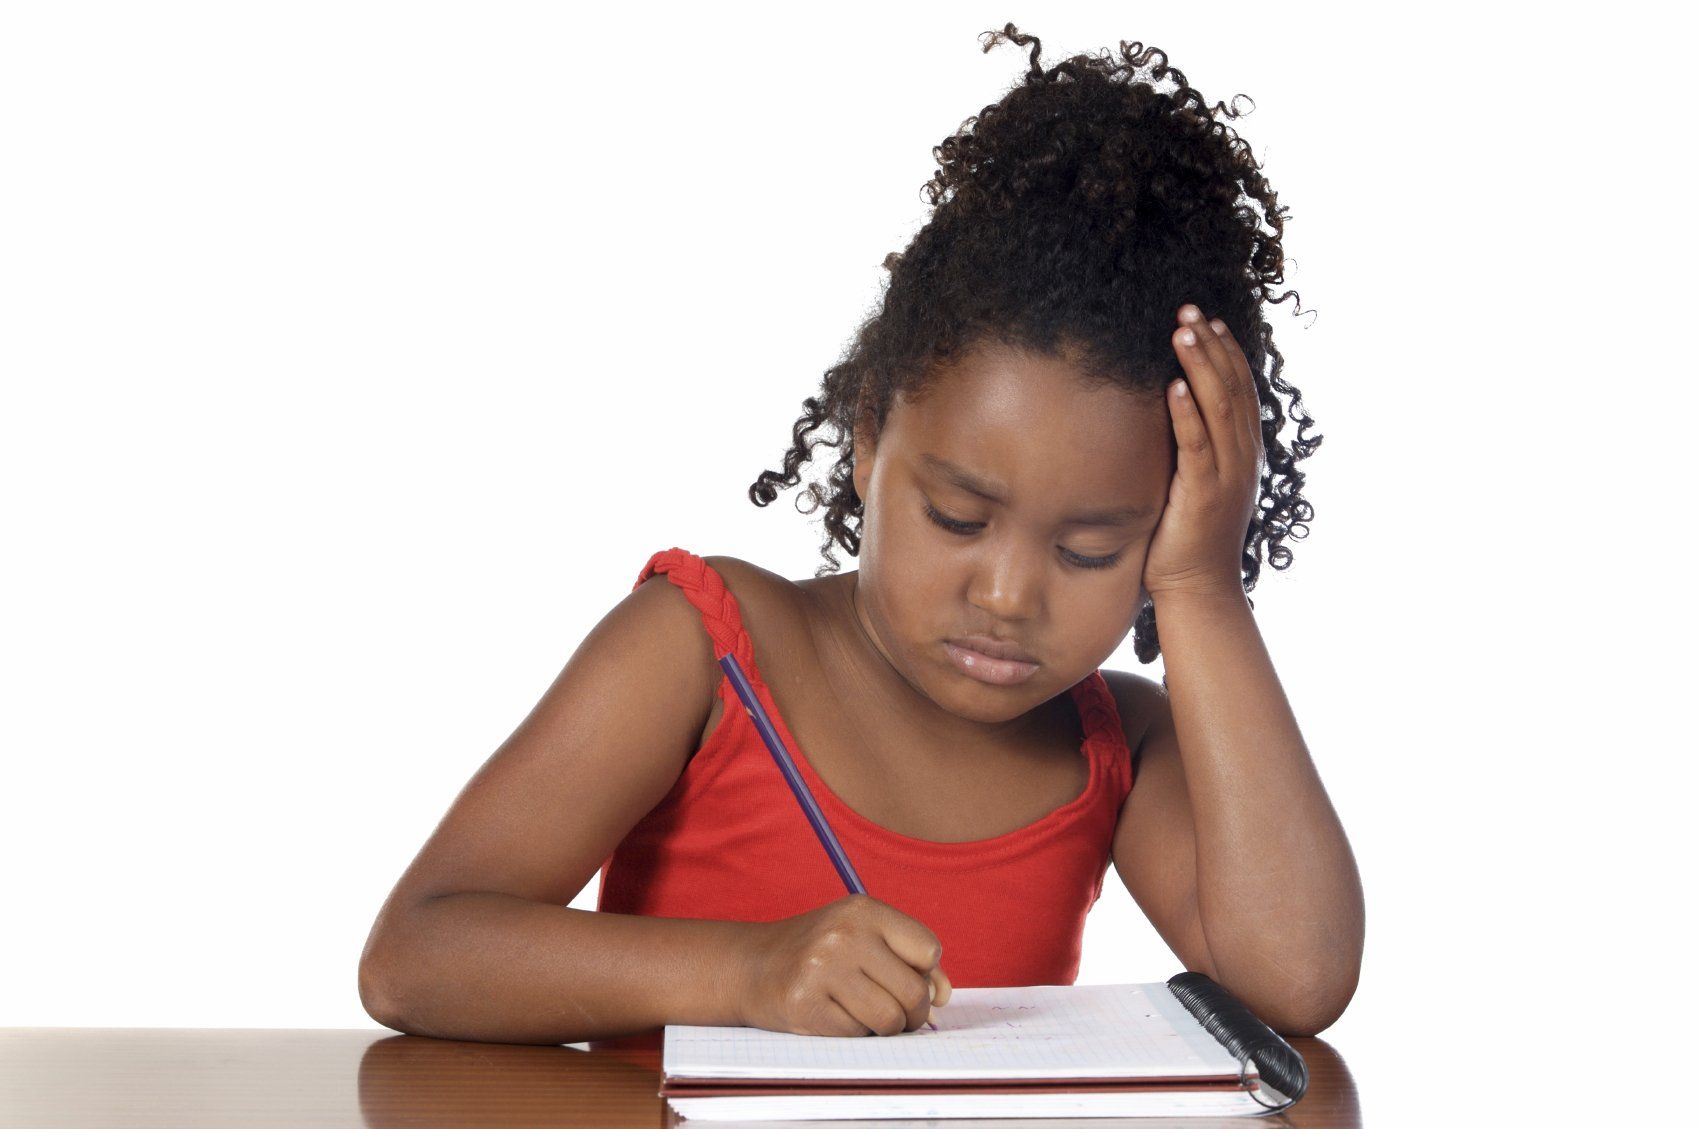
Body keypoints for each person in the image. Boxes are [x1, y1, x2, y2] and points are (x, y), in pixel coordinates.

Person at [357, 24, 1364, 1046]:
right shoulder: (701, 652)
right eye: (957, 517)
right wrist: (747, 969)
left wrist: (1199, 585)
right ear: (870, 438)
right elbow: (415, 956)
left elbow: (1294, 979)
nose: (1009, 595)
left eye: (1090, 551)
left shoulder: (1115, 746)